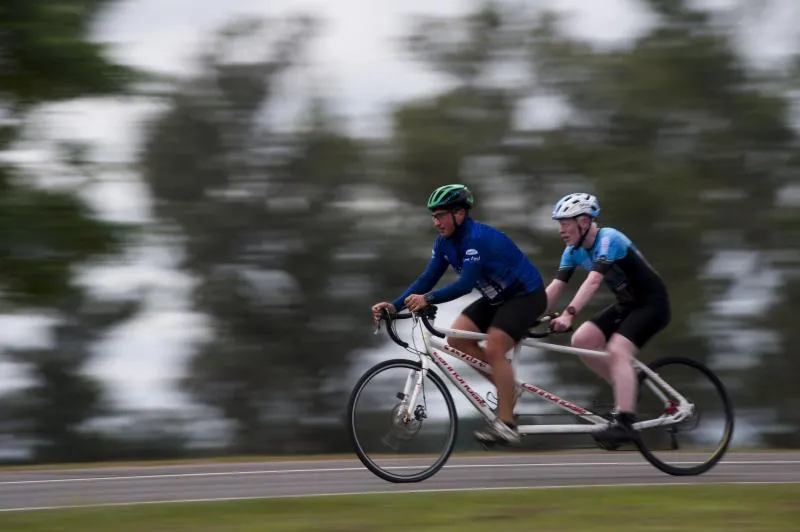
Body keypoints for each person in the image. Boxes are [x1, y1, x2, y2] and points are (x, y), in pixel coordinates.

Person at [371, 184, 547, 445]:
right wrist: (395, 306)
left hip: (526, 297)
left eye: (440, 215)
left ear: (460, 214)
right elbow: (428, 277)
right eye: (433, 216)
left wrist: (428, 299)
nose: (436, 222)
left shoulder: (475, 240)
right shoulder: (444, 243)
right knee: (457, 340)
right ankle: (509, 388)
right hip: (496, 297)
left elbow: (465, 285)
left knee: (496, 346)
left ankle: (507, 424)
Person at [544, 192, 671, 445]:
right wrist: (526, 317)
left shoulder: (608, 238)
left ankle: (625, 422)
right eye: (559, 224)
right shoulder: (572, 251)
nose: (561, 230)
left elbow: (593, 281)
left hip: (652, 304)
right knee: (582, 340)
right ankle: (627, 389)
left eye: (565, 223)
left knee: (617, 350)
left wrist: (569, 314)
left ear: (583, 222)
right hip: (628, 304)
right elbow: (555, 287)